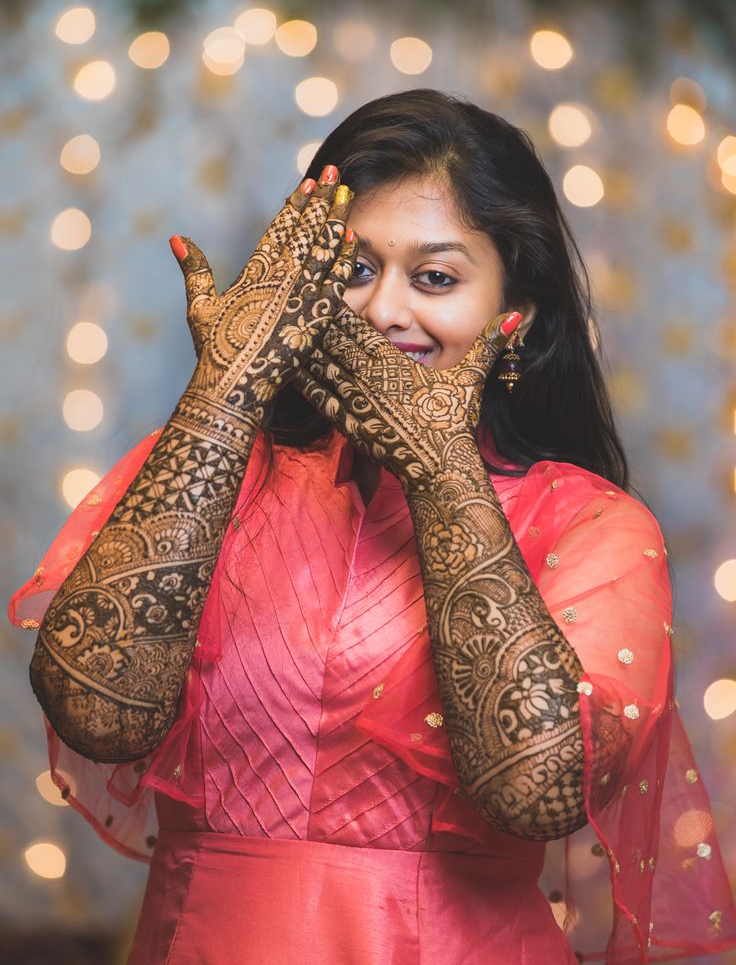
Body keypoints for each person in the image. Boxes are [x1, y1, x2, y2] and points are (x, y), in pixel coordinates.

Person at [9, 90, 736, 964]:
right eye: (353, 270)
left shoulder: (591, 526)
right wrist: (226, 390)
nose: (382, 310)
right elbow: (95, 715)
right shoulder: (208, 469)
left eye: (435, 278)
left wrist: (438, 469)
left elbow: (543, 791)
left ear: (521, 314)